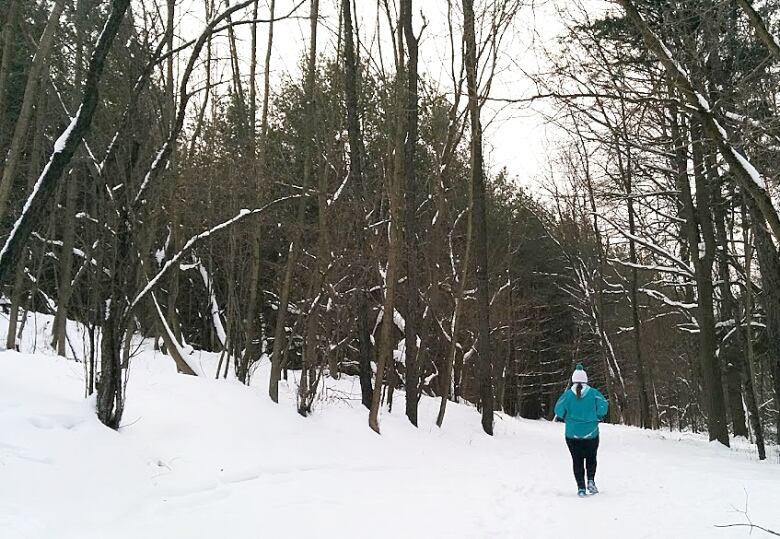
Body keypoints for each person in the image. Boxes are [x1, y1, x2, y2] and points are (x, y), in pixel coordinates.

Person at [554, 363, 609, 497]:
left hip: (572, 434)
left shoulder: (567, 395)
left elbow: (558, 410)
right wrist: (597, 416)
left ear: (573, 379)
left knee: (577, 461)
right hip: (591, 432)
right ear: (585, 379)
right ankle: (591, 480)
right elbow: (604, 405)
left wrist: (566, 417)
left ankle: (581, 488)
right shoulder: (594, 393)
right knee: (591, 458)